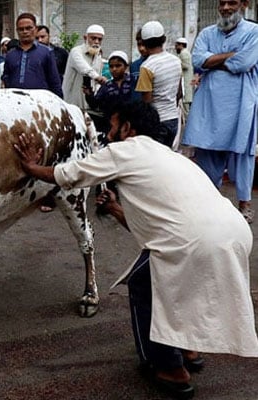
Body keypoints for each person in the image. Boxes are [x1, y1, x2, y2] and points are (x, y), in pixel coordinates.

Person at [14, 100, 258, 400]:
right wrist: (116, 210)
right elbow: (158, 228)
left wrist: (32, 167)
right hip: (232, 231)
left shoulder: (125, 150)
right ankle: (188, 349)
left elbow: (70, 174)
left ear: (128, 128)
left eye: (113, 126)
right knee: (179, 282)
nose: (108, 133)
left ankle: (169, 367)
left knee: (144, 284)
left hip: (194, 239)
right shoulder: (171, 156)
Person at [182, 0, 258, 223]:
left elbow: (244, 63)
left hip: (241, 103)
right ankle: (209, 204)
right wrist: (230, 56)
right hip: (209, 105)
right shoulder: (207, 33)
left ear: (243, 5)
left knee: (243, 153)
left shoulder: (254, 32)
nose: (225, 7)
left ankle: (244, 204)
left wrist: (212, 60)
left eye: (231, 2)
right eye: (221, 3)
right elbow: (197, 60)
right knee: (207, 151)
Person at [134, 21, 182, 147]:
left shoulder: (147, 67)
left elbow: (147, 102)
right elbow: (179, 93)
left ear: (144, 43)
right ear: (164, 40)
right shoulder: (176, 61)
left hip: (157, 123)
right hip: (173, 119)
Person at [2, 13, 62, 98]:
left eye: (28, 28)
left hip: (40, 104)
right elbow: (6, 78)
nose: (25, 31)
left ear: (36, 29)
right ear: (17, 31)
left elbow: (55, 81)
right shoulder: (10, 55)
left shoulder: (46, 52)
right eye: (21, 29)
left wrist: (58, 103)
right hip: (15, 102)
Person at [84, 50, 133, 134]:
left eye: (118, 66)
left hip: (131, 125)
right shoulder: (107, 86)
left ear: (126, 67)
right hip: (111, 127)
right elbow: (95, 104)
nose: (114, 69)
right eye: (111, 66)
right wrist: (89, 95)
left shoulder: (133, 82)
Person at [62, 24, 107, 110]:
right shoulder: (76, 52)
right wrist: (98, 78)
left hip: (89, 106)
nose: (97, 42)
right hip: (71, 105)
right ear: (85, 38)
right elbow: (84, 69)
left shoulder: (98, 57)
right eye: (93, 38)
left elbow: (96, 83)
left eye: (99, 39)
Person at [174, 38, 194, 120]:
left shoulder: (184, 53)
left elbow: (186, 66)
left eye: (177, 45)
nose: (175, 47)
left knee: (186, 106)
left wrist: (176, 64)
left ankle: (187, 123)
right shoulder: (184, 53)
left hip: (185, 82)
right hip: (186, 82)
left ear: (181, 45)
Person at [129, 28, 149, 102]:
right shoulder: (134, 66)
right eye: (139, 44)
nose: (141, 48)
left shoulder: (157, 65)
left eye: (144, 44)